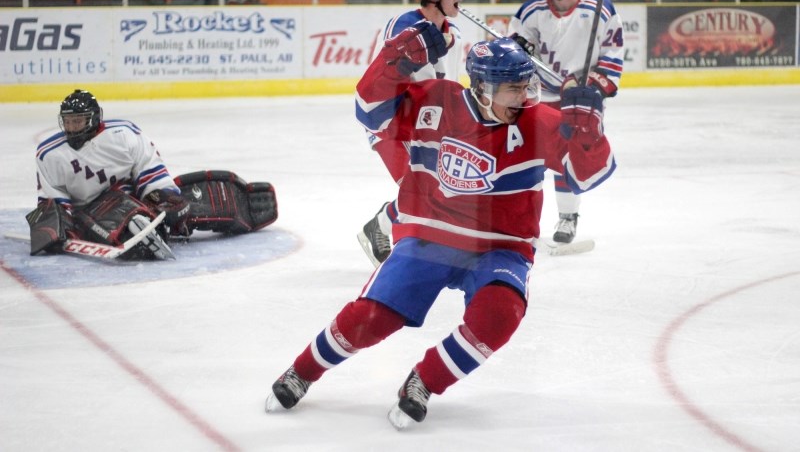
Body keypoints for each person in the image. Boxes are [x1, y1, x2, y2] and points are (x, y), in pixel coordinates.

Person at [265, 24, 616, 429]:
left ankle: (424, 381)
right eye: (513, 89)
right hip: (429, 234)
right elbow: (369, 108)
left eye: (526, 86)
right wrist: (393, 61)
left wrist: (590, 133)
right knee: (370, 319)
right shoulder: (435, 101)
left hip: (500, 246)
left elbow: (588, 176)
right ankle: (302, 371)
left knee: (500, 315)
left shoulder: (538, 121)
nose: (525, 96)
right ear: (483, 88)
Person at [28, 89, 277, 259]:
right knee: (116, 215)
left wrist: (160, 196)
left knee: (179, 209)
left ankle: (154, 221)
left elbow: (148, 167)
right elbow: (54, 200)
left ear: (93, 119)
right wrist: (60, 228)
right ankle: (138, 225)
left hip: (132, 197)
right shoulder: (49, 153)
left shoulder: (123, 135)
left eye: (78, 121)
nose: (72, 128)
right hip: (88, 212)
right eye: (68, 122)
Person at [357, 0, 472, 267]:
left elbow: (447, 84)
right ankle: (381, 227)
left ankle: (386, 226)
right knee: (424, 188)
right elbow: (393, 73)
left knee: (439, 188)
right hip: (394, 121)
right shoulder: (403, 25)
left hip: (428, 122)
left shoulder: (456, 34)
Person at [508, 0, 623, 244]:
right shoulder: (530, 11)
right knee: (525, 158)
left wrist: (591, 86)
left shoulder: (600, 9)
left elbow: (613, 54)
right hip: (537, 95)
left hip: (578, 98)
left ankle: (568, 216)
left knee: (568, 156)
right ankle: (521, 220)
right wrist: (519, 47)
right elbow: (514, 52)